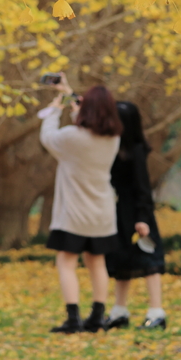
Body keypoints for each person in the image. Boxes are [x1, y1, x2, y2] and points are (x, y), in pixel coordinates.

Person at [40, 79, 122, 333]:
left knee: (66, 262)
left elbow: (48, 137)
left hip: (73, 213)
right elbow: (88, 121)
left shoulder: (71, 138)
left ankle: (73, 317)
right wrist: (69, 94)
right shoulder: (113, 139)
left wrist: (55, 109)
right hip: (102, 212)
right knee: (97, 263)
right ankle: (97, 316)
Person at [104, 100, 166, 330]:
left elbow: (143, 188)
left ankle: (157, 312)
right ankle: (119, 311)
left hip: (137, 213)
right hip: (118, 212)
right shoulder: (111, 146)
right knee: (121, 261)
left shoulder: (136, 151)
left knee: (148, 260)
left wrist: (142, 217)